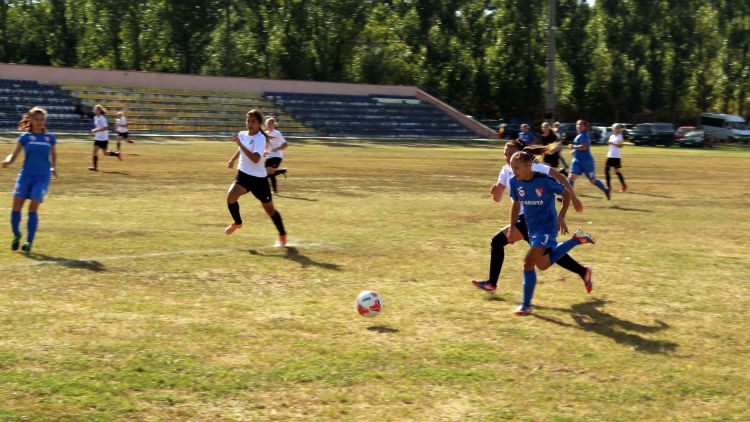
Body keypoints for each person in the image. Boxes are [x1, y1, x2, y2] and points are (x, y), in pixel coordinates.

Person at [471, 139, 590, 295]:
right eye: (505, 154)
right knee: (545, 259)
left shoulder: (532, 168)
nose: (507, 157)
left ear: (521, 154)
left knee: (500, 242)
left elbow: (560, 178)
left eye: (511, 153)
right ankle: (583, 271)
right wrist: (495, 193)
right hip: (524, 219)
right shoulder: (507, 170)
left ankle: (493, 284)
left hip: (533, 219)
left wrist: (574, 198)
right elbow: (498, 197)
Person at [507, 150, 596, 315]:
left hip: (547, 227)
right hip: (532, 228)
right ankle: (576, 240)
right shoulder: (514, 182)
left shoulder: (544, 181)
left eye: (517, 167)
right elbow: (516, 205)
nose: (514, 171)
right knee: (542, 264)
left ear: (528, 166)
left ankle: (526, 305)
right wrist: (512, 228)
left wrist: (561, 217)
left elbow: (566, 194)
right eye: (512, 167)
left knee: (528, 263)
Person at [225, 109, 287, 246]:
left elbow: (255, 158)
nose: (250, 123)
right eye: (248, 120)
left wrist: (240, 144)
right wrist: (233, 160)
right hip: (243, 176)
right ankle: (238, 223)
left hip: (259, 179)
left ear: (259, 124)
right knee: (230, 198)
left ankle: (282, 234)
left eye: (253, 121)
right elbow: (240, 149)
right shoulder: (242, 134)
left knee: (270, 209)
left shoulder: (260, 138)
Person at [1, 107, 58, 253]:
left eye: (42, 120)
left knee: (33, 207)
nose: (40, 122)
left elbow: (53, 155)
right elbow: (13, 155)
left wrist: (53, 168)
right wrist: (7, 161)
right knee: (16, 207)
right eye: (37, 119)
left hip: (42, 177)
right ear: (31, 120)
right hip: (25, 176)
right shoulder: (25, 137)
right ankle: (16, 235)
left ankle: (29, 241)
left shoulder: (50, 138)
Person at [568, 119, 610, 199]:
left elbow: (584, 147)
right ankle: (568, 196)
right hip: (577, 161)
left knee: (592, 180)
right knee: (571, 177)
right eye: (577, 124)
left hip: (587, 162)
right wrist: (574, 151)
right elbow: (579, 147)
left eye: (581, 125)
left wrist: (574, 147)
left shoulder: (585, 135)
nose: (579, 126)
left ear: (585, 127)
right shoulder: (579, 135)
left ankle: (606, 190)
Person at [89, 104, 121, 171]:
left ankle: (116, 154)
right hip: (97, 138)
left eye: (96, 109)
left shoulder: (102, 118)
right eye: (95, 109)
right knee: (94, 151)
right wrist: (96, 130)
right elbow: (98, 126)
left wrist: (96, 130)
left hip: (104, 139)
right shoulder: (95, 117)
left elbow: (106, 128)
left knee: (105, 153)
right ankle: (95, 167)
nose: (95, 110)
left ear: (100, 111)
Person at [263, 117, 288, 194]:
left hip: (277, 156)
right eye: (267, 123)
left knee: (266, 173)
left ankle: (265, 190)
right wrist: (265, 151)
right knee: (270, 173)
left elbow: (285, 144)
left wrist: (277, 148)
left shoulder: (277, 133)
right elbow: (266, 144)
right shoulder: (265, 133)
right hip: (269, 156)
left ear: (274, 125)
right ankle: (275, 191)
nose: (269, 125)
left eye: (270, 123)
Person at [605, 123, 627, 192]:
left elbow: (621, 146)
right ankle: (608, 187)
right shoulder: (611, 136)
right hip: (610, 155)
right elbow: (610, 144)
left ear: (619, 129)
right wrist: (609, 143)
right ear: (613, 129)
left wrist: (612, 144)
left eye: (617, 128)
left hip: (616, 156)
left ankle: (624, 185)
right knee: (606, 171)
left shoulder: (620, 136)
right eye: (614, 128)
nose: (616, 129)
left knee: (616, 172)